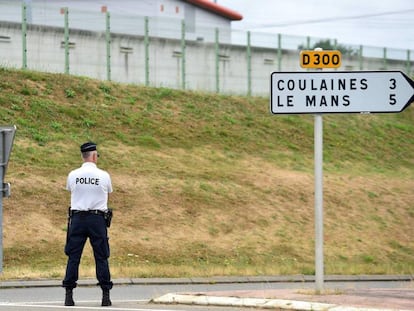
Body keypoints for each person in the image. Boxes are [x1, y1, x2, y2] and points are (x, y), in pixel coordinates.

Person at [62, 141, 113, 307]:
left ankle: (68, 295)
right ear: (94, 156)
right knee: (101, 256)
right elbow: (109, 191)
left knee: (73, 257)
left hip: (77, 219)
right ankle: (105, 295)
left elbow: (70, 189)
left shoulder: (73, 175)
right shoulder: (104, 175)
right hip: (97, 220)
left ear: (83, 156)